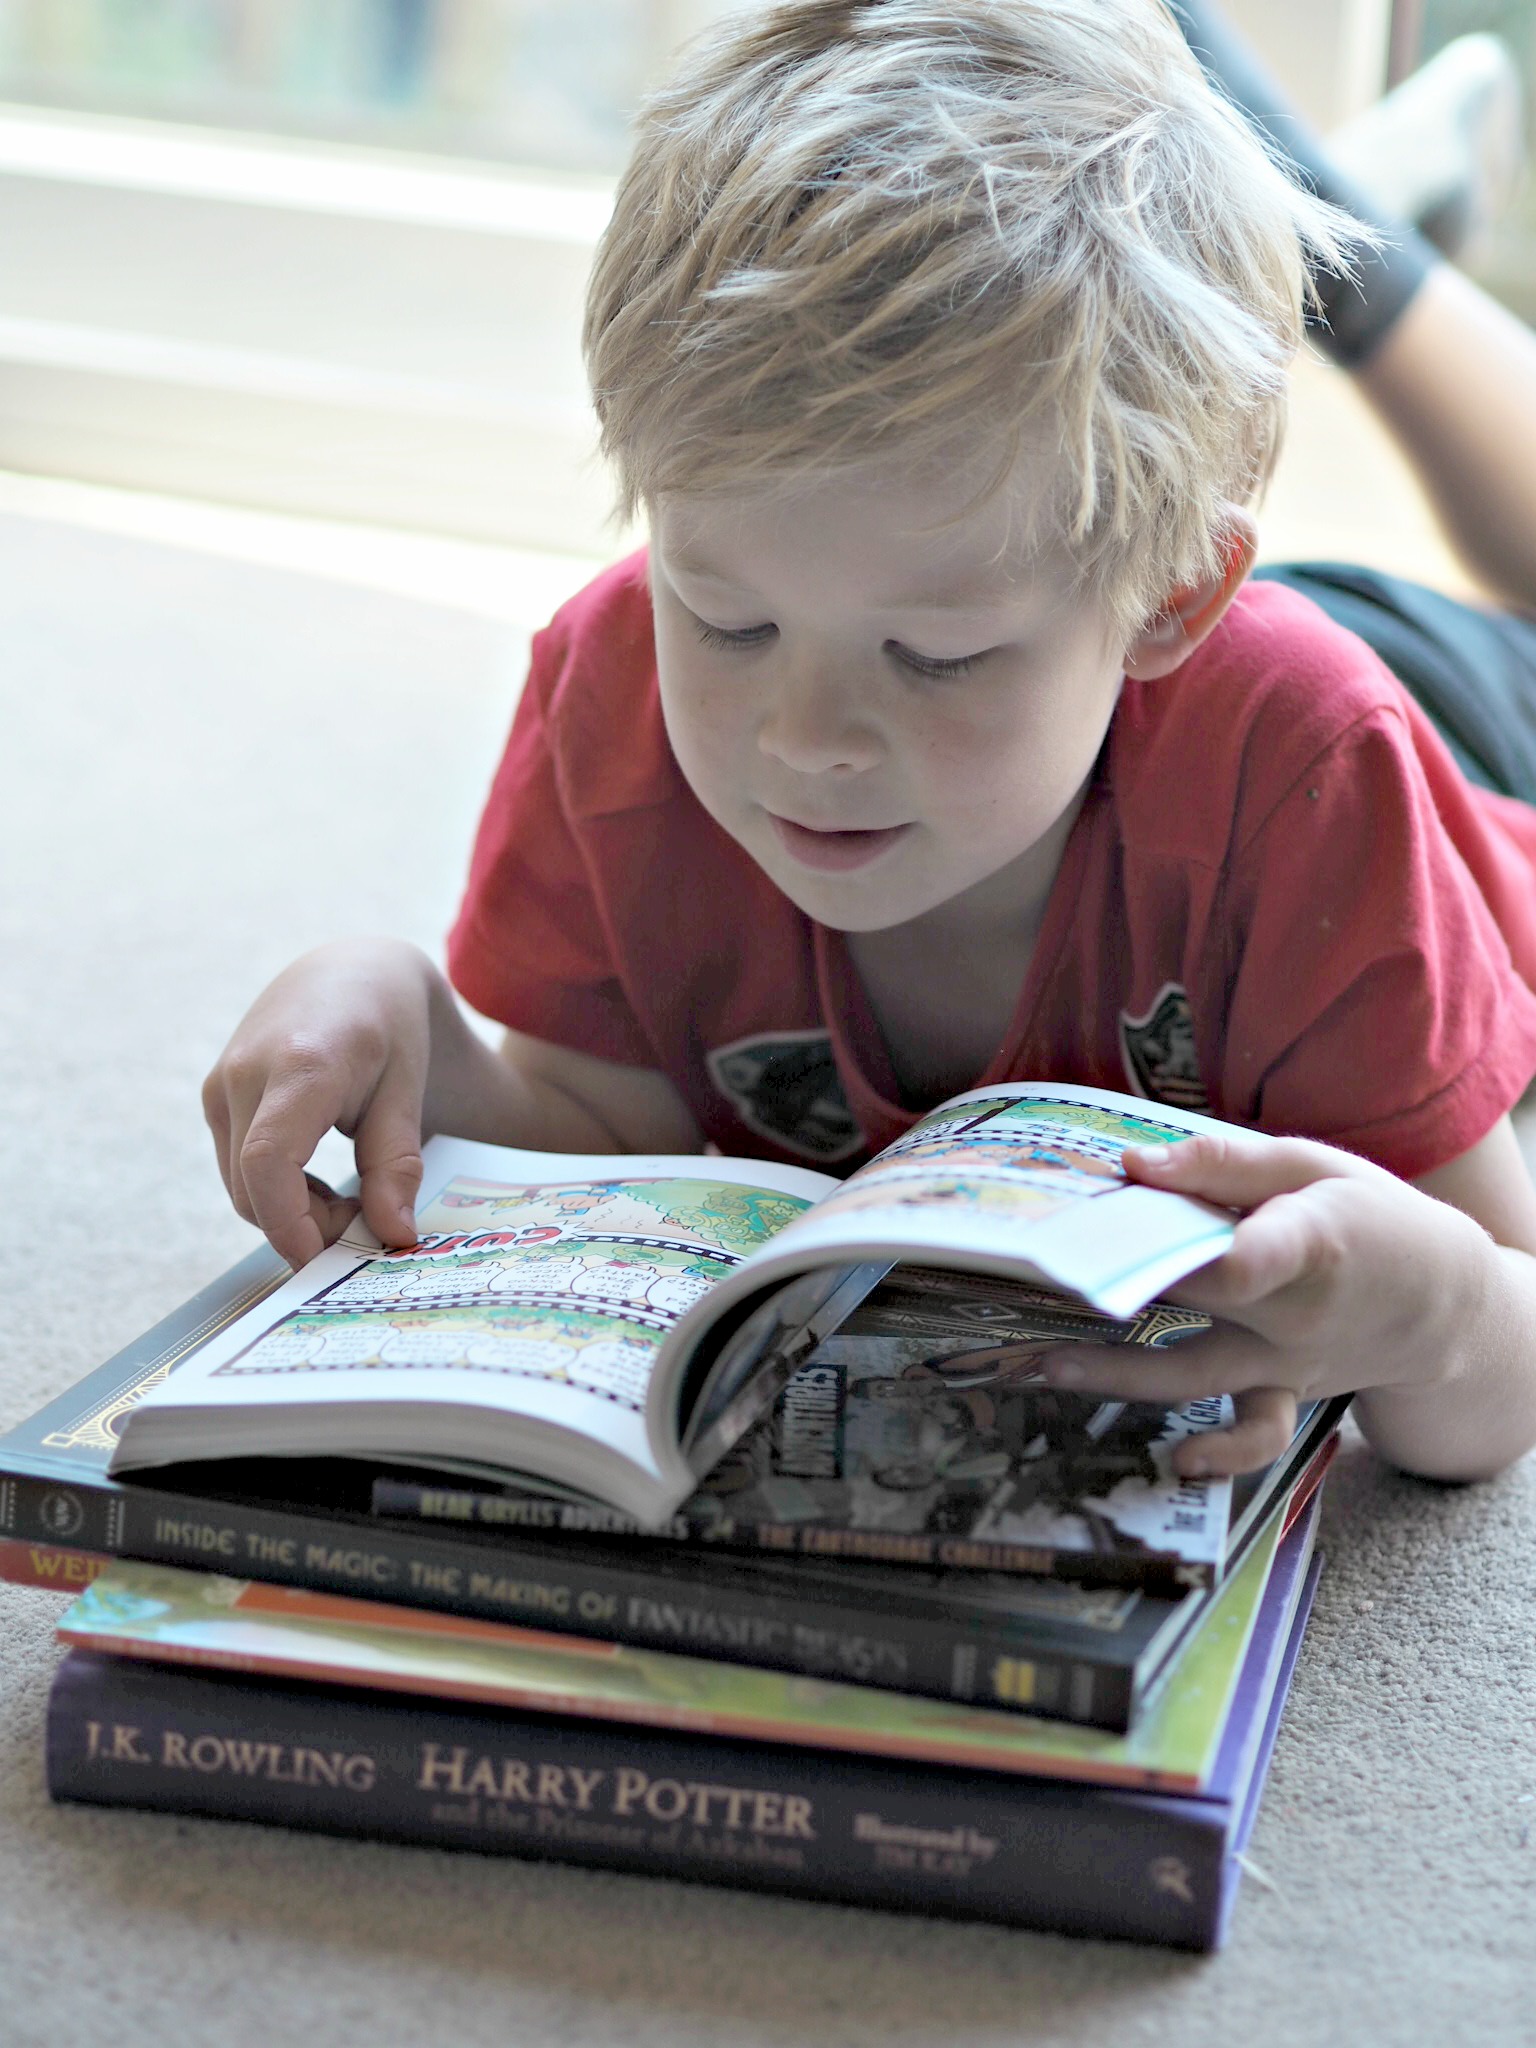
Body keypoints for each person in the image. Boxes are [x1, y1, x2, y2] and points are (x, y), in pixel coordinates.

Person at [203, 0, 1536, 1488]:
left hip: (1470, 721)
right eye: (726, 617)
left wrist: (1445, 1312)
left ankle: (1356, 245)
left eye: (935, 653)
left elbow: (1504, 1334)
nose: (806, 739)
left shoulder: (1311, 763)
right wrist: (419, 1030)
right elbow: (596, 1136)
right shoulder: (612, 687)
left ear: (1167, 601)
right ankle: (1326, 229)